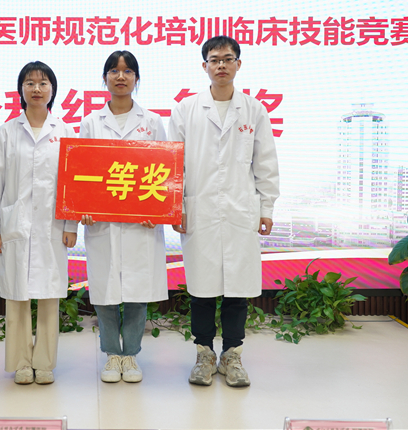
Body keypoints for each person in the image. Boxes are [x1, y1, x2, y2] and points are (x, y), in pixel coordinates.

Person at [168, 35, 279, 388]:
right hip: (198, 210)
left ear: (238, 64)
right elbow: (174, 164)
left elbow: (265, 161)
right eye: (214, 60)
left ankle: (232, 355)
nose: (221, 65)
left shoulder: (254, 110)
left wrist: (266, 206)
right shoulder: (186, 109)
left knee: (237, 290)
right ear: (204, 66)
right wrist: (176, 206)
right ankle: (204, 354)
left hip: (240, 210)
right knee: (201, 289)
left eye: (227, 59)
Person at [79, 51, 169, 383]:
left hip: (140, 223)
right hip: (102, 223)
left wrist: (156, 210)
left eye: (128, 71)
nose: (121, 76)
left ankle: (130, 355)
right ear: (104, 78)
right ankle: (111, 355)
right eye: (114, 71)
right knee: (104, 291)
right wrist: (84, 208)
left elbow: (164, 171)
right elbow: (83, 172)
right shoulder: (91, 123)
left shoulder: (152, 122)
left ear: (136, 78)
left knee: (136, 291)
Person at [0, 61, 78, 385]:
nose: (36, 89)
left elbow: (72, 183)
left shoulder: (65, 132)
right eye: (29, 83)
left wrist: (71, 225)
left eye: (43, 83)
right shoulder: (7, 131)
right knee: (17, 295)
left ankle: (45, 362)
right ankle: (22, 362)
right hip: (16, 223)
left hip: (53, 225)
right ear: (21, 89)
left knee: (49, 295)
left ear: (53, 89)